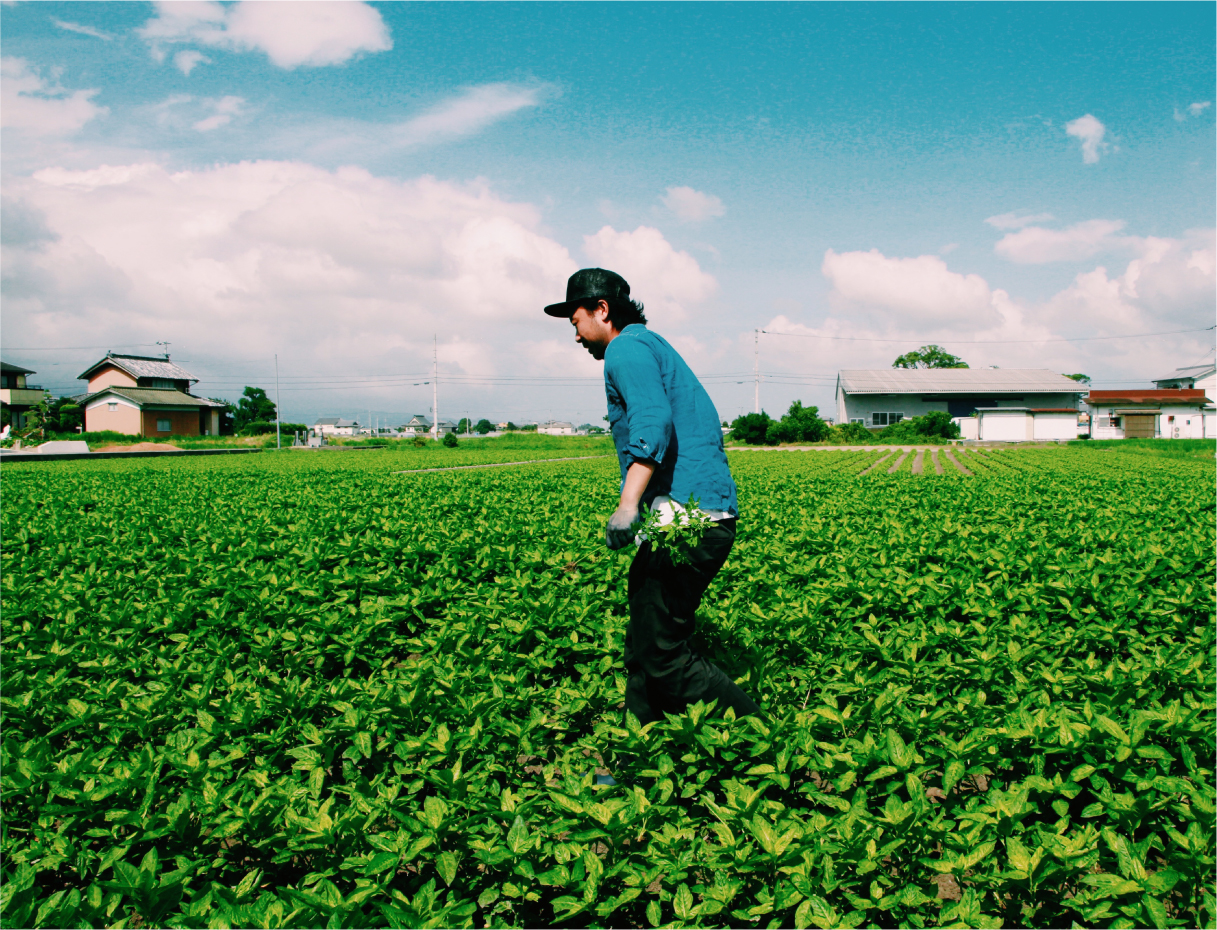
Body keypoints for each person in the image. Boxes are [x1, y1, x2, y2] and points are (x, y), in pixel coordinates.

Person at [544, 267, 761, 724]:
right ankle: (640, 755)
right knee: (644, 645)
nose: (577, 335)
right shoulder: (647, 345)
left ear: (602, 310)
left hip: (688, 521)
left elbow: (652, 421)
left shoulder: (627, 348)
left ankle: (764, 738)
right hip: (681, 516)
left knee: (664, 655)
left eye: (576, 322)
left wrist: (627, 506)